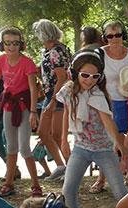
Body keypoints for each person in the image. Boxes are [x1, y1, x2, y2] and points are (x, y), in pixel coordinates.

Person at [57, 49, 128, 208]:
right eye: (85, 75)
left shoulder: (97, 95)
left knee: (120, 193)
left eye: (95, 76)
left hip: (103, 149)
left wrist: (121, 147)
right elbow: (66, 113)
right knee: (68, 190)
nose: (90, 80)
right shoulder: (68, 91)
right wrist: (63, 139)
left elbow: (108, 121)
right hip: (81, 147)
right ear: (75, 73)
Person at [0, 26, 41, 197]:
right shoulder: (1, 60)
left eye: (15, 43)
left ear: (21, 45)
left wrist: (33, 112)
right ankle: (9, 183)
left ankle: (36, 185)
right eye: (7, 43)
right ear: (2, 44)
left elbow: (33, 88)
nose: (11, 47)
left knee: (24, 148)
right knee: (11, 147)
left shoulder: (27, 63)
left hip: (23, 107)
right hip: (8, 106)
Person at [33, 19, 71, 182]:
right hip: (51, 94)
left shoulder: (56, 51)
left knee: (57, 134)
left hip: (59, 96)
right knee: (43, 132)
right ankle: (61, 166)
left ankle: (70, 168)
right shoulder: (49, 50)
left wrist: (53, 101)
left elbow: (62, 77)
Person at [100, 21, 128, 138]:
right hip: (108, 103)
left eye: (118, 35)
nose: (114, 39)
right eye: (110, 36)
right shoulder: (100, 54)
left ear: (123, 35)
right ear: (105, 38)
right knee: (113, 138)